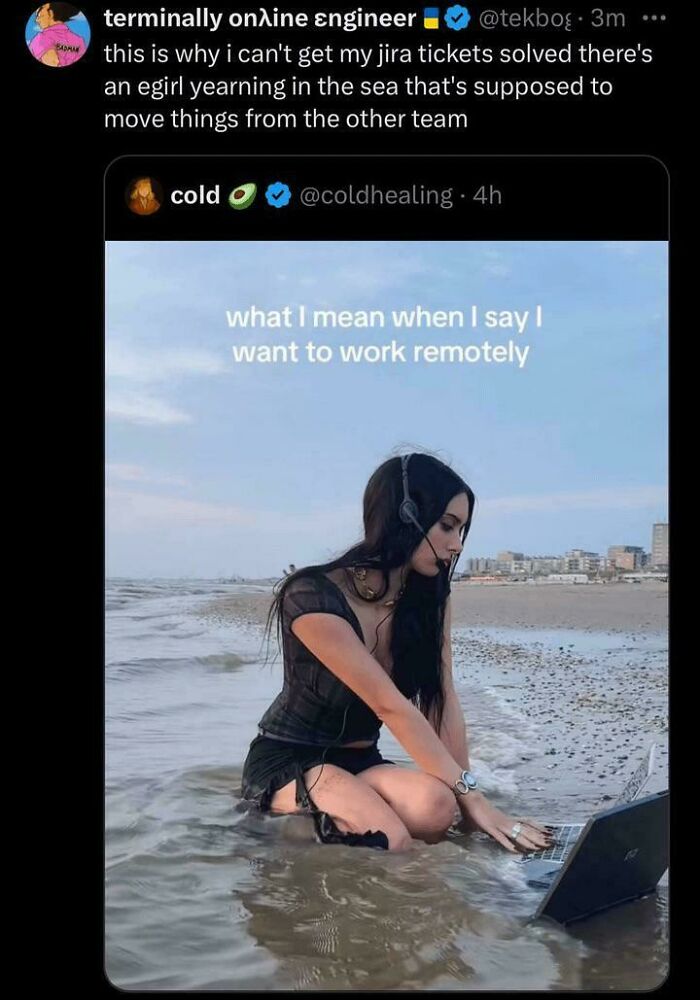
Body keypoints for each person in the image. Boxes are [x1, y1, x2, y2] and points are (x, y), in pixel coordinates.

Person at [240, 452, 554, 854]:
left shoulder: (430, 597)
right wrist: (477, 800)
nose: (457, 545)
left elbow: (441, 697)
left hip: (360, 761)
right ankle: (276, 832)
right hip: (289, 762)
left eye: (462, 530)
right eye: (447, 526)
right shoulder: (312, 597)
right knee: (391, 840)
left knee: (437, 809)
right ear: (404, 515)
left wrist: (470, 804)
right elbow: (390, 706)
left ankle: (332, 823)